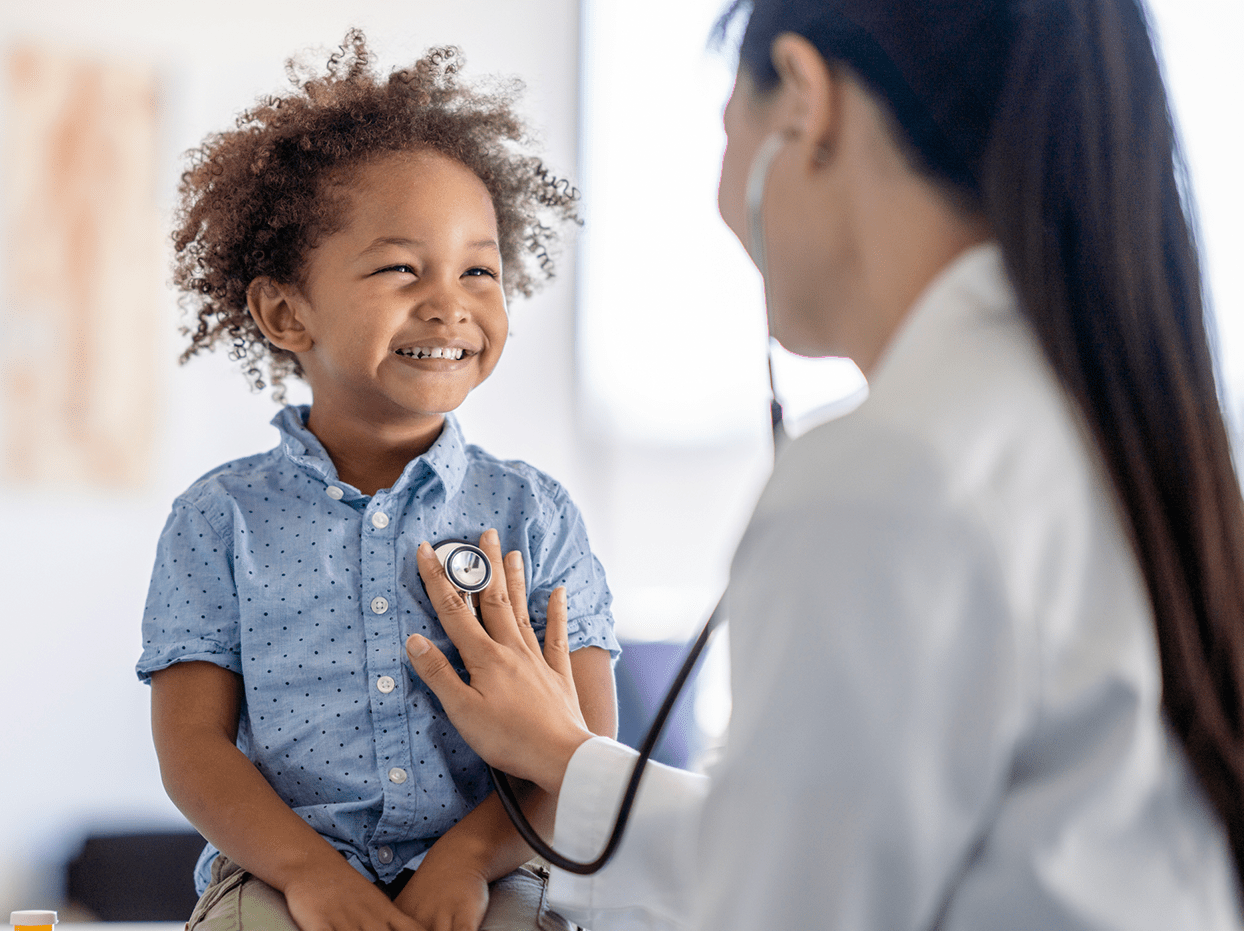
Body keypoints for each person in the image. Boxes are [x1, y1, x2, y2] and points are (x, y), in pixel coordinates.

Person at [403, 1, 1244, 928]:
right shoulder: (1100, 419)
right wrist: (571, 762)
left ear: (804, 102)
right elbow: (844, 843)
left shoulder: (889, 474)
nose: (726, 208)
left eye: (729, 131)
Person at [135, 31, 619, 931]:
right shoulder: (218, 519)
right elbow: (193, 749)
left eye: (479, 268)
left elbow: (585, 750)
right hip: (281, 878)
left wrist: (470, 860)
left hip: (497, 869)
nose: (450, 302)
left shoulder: (534, 514)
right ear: (286, 310)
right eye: (403, 267)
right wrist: (309, 874)